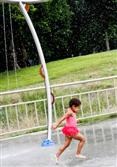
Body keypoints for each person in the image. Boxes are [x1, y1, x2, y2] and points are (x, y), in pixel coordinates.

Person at [52, 98, 86, 164]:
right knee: (83, 139)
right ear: (73, 106)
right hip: (71, 130)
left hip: (68, 130)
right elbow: (62, 118)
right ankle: (78, 154)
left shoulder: (71, 111)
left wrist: (76, 120)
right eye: (78, 108)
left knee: (66, 144)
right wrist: (56, 124)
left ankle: (56, 155)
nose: (78, 109)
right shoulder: (70, 112)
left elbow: (70, 120)